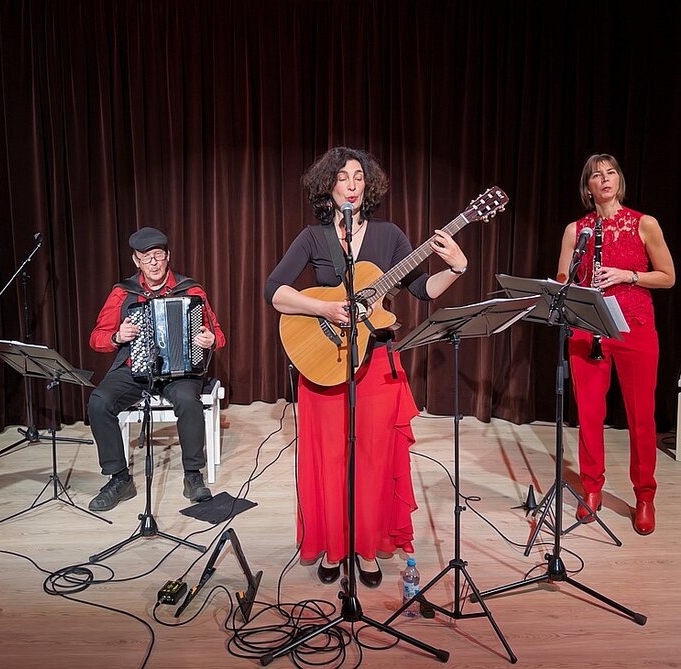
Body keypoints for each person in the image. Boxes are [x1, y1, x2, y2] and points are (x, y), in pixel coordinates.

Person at [265, 146, 467, 585]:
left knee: (373, 460)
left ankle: (368, 548)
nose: (352, 185)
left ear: (368, 186)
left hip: (376, 363)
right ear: (329, 187)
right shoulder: (314, 237)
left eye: (358, 177)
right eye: (342, 177)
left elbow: (422, 289)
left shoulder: (389, 235)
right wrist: (325, 309)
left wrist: (455, 269)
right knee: (331, 460)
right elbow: (274, 290)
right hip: (327, 365)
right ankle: (335, 547)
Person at [556, 153, 674, 535]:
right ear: (588, 187)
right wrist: (574, 285)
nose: (605, 179)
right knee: (589, 415)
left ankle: (645, 496)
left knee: (641, 417)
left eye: (610, 173)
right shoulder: (576, 230)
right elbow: (562, 279)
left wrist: (628, 275)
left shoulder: (645, 224)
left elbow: (668, 277)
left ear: (619, 180)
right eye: (596, 175)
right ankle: (591, 488)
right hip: (587, 329)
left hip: (634, 329)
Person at [86, 226, 226, 511]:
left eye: (158, 255)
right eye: (146, 257)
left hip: (180, 370)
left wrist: (210, 339)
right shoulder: (123, 293)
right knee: (99, 402)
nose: (153, 263)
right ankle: (119, 478)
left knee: (188, 400)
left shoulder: (191, 290)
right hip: (135, 368)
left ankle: (192, 474)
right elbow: (96, 338)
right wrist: (117, 336)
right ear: (136, 260)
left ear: (167, 256)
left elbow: (218, 335)